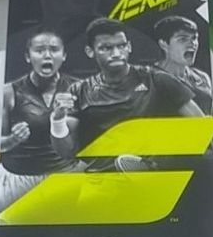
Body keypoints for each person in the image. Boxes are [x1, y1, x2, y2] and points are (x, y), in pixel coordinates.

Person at [50, 18, 204, 170]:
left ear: (129, 47)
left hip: (153, 176)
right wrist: (57, 121)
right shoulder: (78, 91)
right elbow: (66, 152)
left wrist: (164, 161)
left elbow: (201, 126)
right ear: (90, 51)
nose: (116, 53)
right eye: (106, 48)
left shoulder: (156, 79)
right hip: (100, 177)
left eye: (121, 46)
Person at [0, 30, 80, 211]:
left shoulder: (79, 89)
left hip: (65, 178)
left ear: (64, 56)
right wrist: (12, 139)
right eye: (40, 50)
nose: (47, 55)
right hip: (18, 180)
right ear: (28, 57)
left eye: (54, 49)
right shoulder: (8, 92)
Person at [153, 15, 213, 114]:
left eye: (194, 38)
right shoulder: (150, 79)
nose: (192, 43)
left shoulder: (202, 77)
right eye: (183, 39)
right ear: (163, 44)